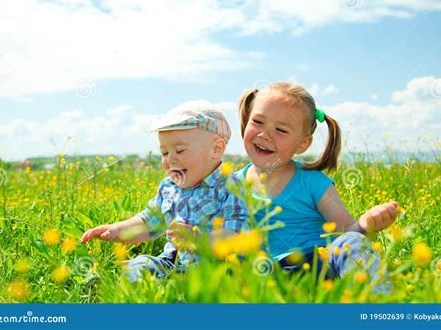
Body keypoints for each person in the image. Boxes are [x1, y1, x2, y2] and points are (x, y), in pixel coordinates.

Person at [234, 82, 398, 290]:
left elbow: (345, 231)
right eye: (258, 121)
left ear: (302, 144)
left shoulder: (312, 181)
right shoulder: (231, 185)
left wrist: (365, 224)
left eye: (281, 130)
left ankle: (379, 304)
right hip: (260, 276)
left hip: (314, 267)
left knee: (353, 243)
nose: (265, 134)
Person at [80, 100, 249, 282]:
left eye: (180, 150)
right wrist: (117, 230)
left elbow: (235, 236)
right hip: (173, 262)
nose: (170, 160)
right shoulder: (168, 187)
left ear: (216, 149)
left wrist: (198, 241)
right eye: (165, 153)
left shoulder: (231, 186)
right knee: (142, 263)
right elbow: (148, 222)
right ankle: (124, 286)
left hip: (216, 266)